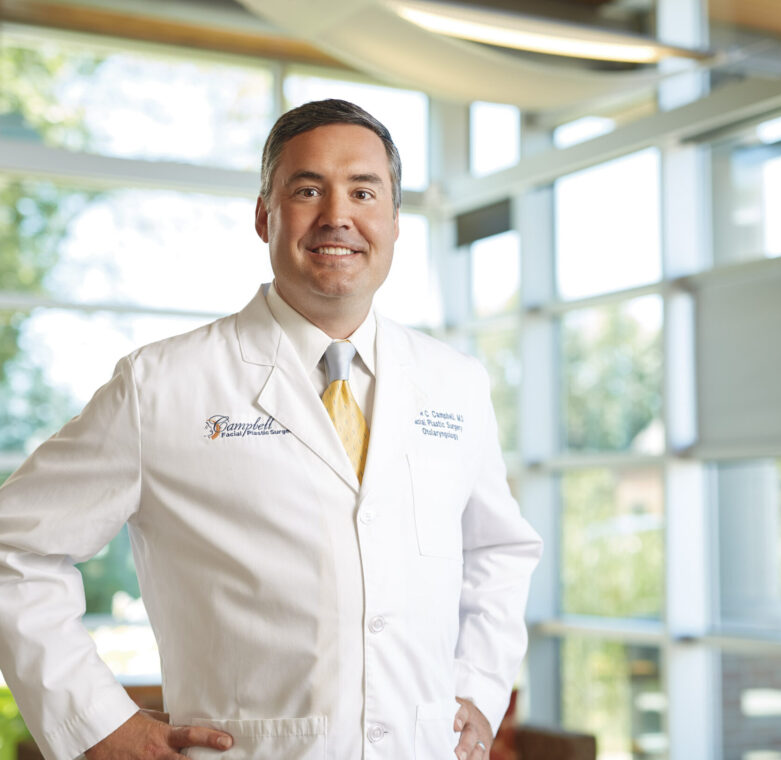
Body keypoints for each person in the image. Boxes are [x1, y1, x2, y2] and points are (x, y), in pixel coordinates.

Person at [0, 99, 542, 760]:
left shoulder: (455, 383)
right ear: (264, 216)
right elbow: (14, 550)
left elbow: (499, 552)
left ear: (396, 222)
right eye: (307, 189)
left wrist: (479, 690)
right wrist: (100, 726)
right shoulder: (163, 385)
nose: (337, 216)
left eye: (363, 191)